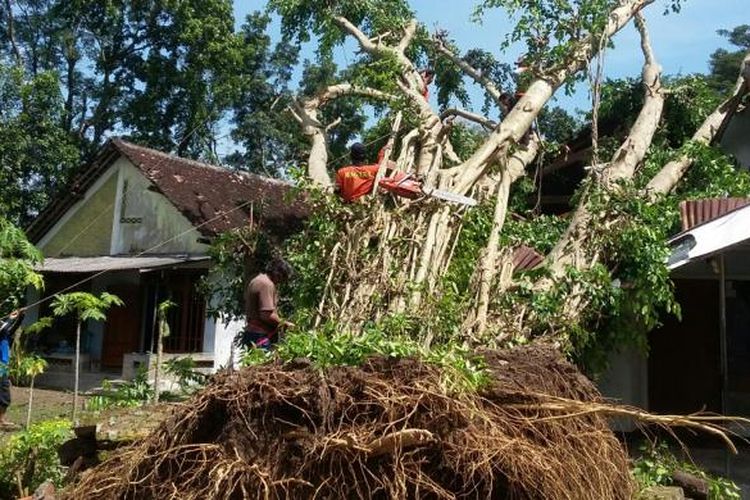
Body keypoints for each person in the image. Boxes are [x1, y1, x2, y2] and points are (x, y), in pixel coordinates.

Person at [335, 143, 421, 203]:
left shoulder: (342, 172)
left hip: (347, 207)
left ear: (351, 156)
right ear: (364, 156)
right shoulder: (373, 169)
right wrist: (382, 152)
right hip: (365, 205)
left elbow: (337, 191)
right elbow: (382, 165)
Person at [240, 258, 294, 351]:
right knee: (260, 363)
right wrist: (285, 324)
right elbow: (266, 315)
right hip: (260, 336)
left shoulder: (256, 280)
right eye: (282, 278)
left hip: (251, 333)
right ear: (278, 274)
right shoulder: (266, 284)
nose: (280, 283)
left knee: (253, 364)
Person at [0, 310, 22, 431]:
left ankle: (1, 420)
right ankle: (1, 421)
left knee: (3, 395)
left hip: (3, 367)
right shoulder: (2, 333)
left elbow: (12, 328)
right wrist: (10, 318)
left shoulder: (6, 335)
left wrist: (21, 316)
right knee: (4, 396)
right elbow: (4, 328)